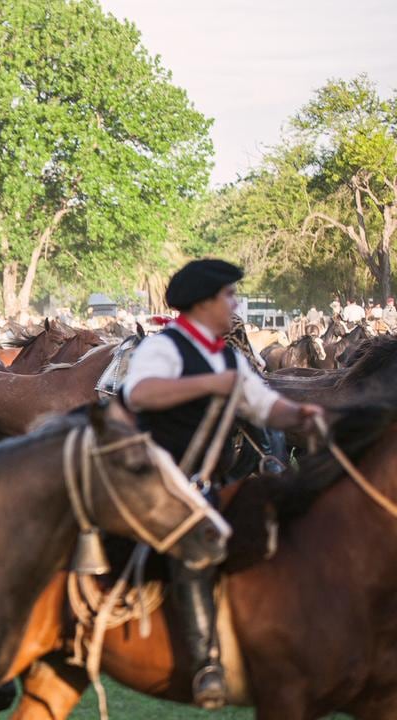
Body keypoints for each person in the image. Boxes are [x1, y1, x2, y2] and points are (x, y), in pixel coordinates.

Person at [121, 259, 324, 709]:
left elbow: (265, 406)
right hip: (157, 479)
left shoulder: (226, 355)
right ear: (204, 303)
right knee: (198, 546)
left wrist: (301, 415)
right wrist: (213, 383)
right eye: (229, 295)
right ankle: (206, 664)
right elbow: (140, 393)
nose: (235, 303)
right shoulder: (166, 347)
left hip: (202, 481)